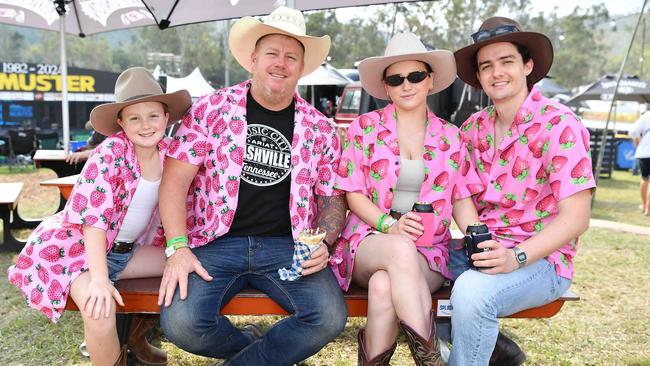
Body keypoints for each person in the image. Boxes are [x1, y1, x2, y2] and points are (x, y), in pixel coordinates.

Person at [156, 7, 348, 366]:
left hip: (287, 247)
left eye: (292, 56)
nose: (281, 63)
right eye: (272, 53)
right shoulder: (210, 110)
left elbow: (332, 198)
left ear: (302, 67)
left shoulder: (320, 128)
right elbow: (173, 183)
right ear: (253, 59)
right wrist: (178, 248)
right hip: (215, 242)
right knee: (181, 323)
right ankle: (251, 344)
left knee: (328, 317)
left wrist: (325, 241)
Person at [7, 67, 191, 366]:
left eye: (153, 116)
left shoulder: (173, 154)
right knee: (98, 308)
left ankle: (136, 335)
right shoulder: (110, 154)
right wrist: (100, 281)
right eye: (134, 118)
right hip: (75, 250)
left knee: (185, 266)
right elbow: (94, 221)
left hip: (126, 252)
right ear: (121, 123)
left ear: (167, 117)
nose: (145, 125)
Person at [448, 16, 596, 365]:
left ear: (528, 65)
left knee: (471, 293)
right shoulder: (473, 128)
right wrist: (477, 239)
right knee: (405, 270)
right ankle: (499, 352)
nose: (496, 72)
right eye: (486, 66)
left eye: (507, 61)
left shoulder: (559, 125)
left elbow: (577, 218)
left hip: (542, 260)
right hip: (484, 250)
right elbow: (460, 192)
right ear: (480, 77)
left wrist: (515, 257)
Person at [331, 32, 483, 366]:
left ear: (430, 80)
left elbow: (461, 200)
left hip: (428, 253)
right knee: (398, 248)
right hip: (370, 242)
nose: (406, 85)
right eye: (396, 79)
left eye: (415, 76)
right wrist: (390, 225)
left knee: (384, 287)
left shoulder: (451, 138)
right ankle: (431, 361)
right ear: (386, 87)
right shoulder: (364, 128)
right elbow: (353, 193)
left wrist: (482, 241)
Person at [630, 108, 650, 215]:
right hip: (645, 152)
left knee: (644, 179)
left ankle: (644, 206)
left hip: (644, 152)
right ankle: (648, 209)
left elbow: (633, 131)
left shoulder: (646, 115)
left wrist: (638, 142)